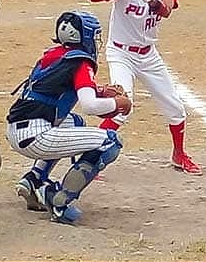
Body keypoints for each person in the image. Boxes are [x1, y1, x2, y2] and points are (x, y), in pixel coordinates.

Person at [87, 0, 201, 175]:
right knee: (122, 107)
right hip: (121, 53)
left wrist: (151, 0)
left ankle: (179, 155)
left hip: (148, 55)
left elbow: (166, 10)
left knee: (175, 107)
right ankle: (90, 159)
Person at [7, 11, 131, 224]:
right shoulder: (81, 62)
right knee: (110, 142)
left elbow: (60, 91)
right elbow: (89, 105)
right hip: (35, 134)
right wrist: (118, 103)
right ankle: (58, 200)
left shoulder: (54, 55)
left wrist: (100, 91)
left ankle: (34, 179)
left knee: (76, 123)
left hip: (18, 128)